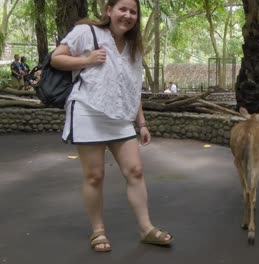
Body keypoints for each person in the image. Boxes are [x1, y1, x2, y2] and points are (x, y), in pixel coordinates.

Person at [50, 0, 174, 252]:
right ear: (109, 11)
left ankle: (146, 228)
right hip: (88, 109)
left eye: (133, 11)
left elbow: (132, 88)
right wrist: (87, 59)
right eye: (123, 9)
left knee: (135, 171)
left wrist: (142, 123)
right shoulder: (88, 32)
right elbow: (56, 59)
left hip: (120, 117)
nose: (128, 15)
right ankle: (98, 232)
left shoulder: (134, 48)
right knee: (95, 175)